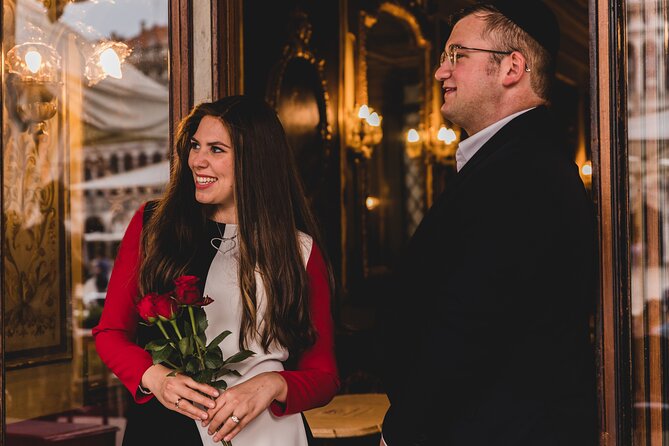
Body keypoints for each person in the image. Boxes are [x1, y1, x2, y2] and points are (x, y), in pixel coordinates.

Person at [379, 1, 596, 445]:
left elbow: (469, 324)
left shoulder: (523, 171)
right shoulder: (512, 162)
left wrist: (401, 432)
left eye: (457, 55)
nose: (441, 72)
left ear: (512, 67)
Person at [94, 95, 339, 445]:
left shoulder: (300, 249)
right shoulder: (154, 226)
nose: (198, 161)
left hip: (271, 434)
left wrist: (273, 384)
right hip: (168, 430)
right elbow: (110, 333)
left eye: (216, 150)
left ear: (254, 160)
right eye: (195, 146)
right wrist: (156, 378)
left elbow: (324, 374)